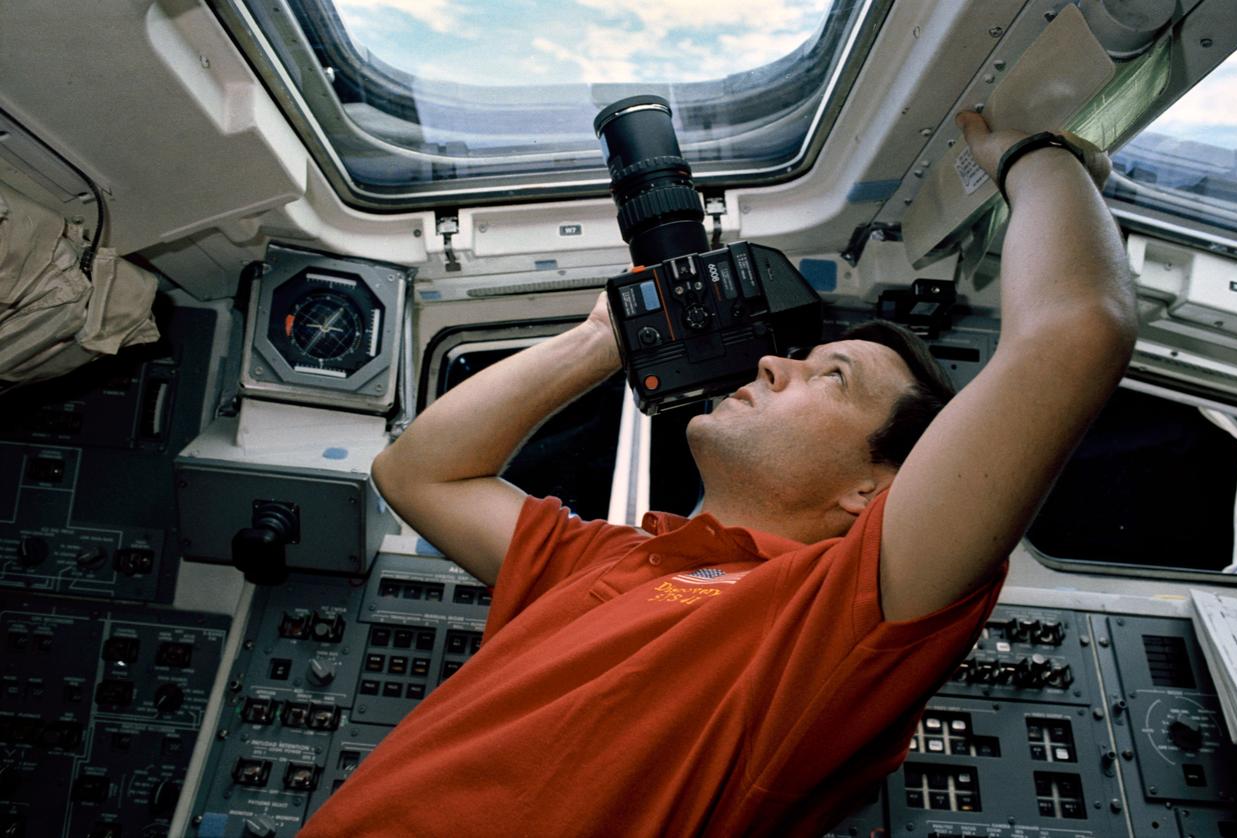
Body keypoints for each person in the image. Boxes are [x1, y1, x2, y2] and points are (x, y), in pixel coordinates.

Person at [299, 111, 1136, 836]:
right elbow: (416, 473)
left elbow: (1077, 331)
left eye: (831, 376)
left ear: (871, 491)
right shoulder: (613, 562)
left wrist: (1035, 153)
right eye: (799, 357)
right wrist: (605, 338)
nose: (776, 365)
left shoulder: (837, 623)